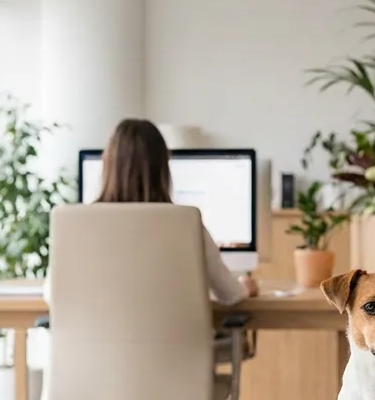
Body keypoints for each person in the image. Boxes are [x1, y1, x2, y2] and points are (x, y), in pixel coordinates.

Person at [94, 118, 258, 304]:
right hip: (172, 324)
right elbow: (231, 295)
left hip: (91, 325)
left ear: (107, 163)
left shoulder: (78, 225)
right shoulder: (187, 222)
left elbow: (62, 293)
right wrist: (245, 286)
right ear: (163, 168)